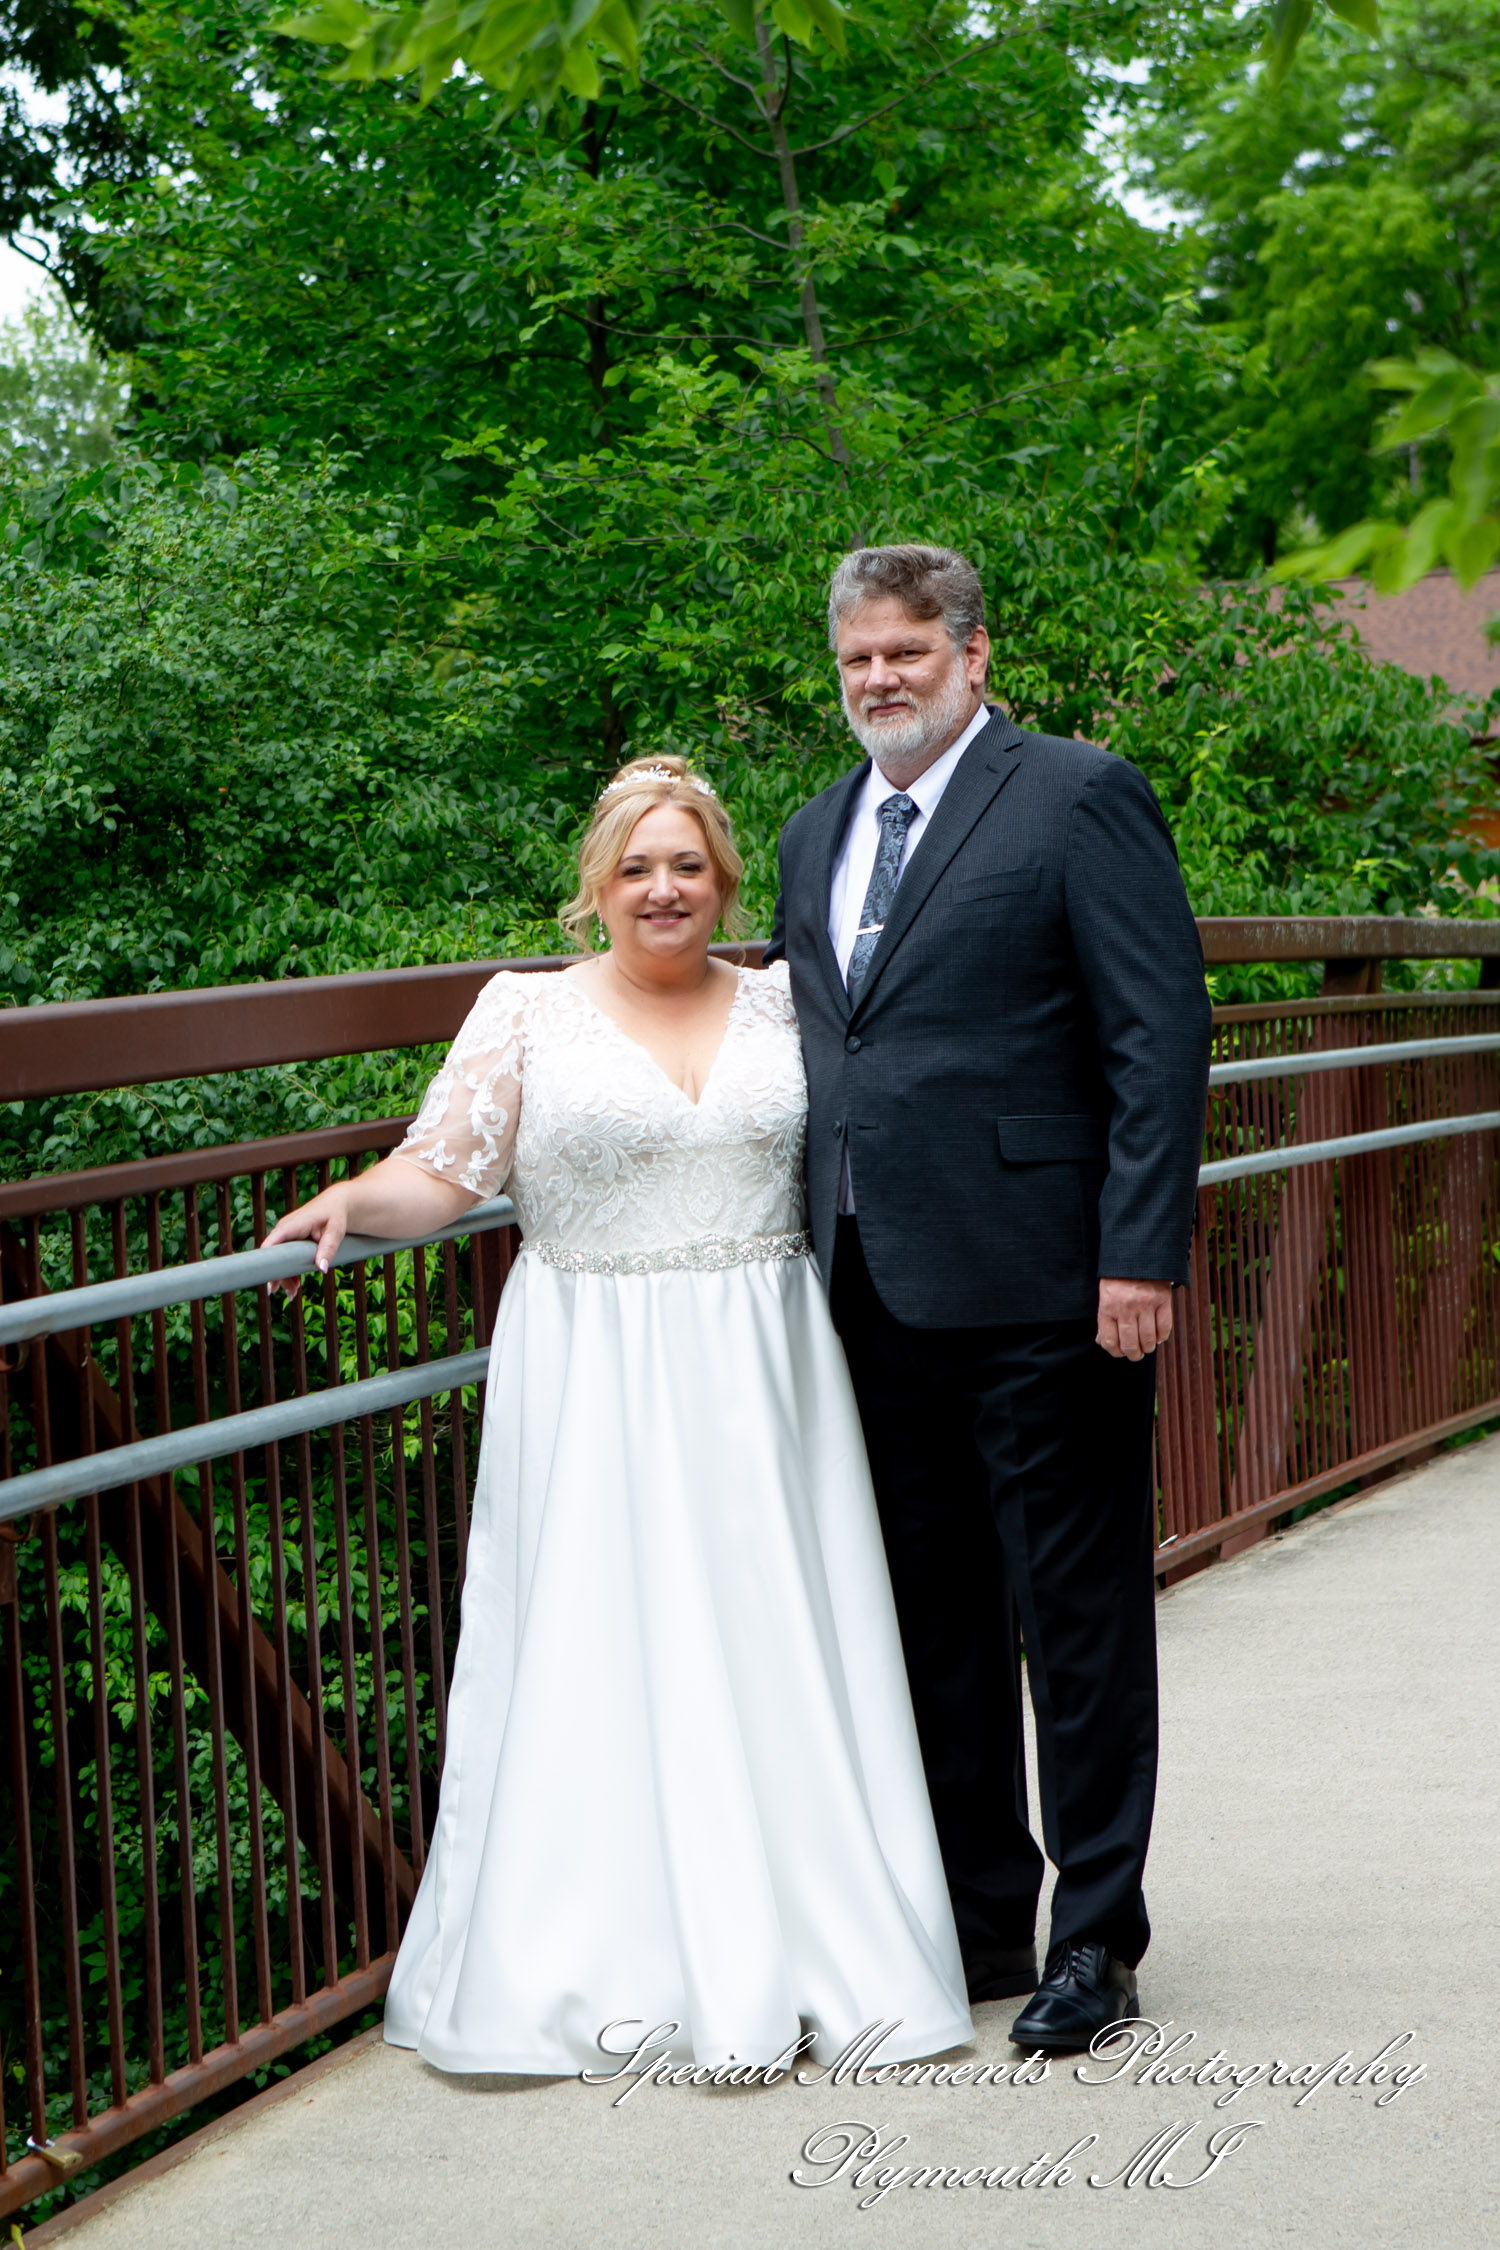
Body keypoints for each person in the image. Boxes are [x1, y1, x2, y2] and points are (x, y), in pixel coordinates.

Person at [263, 755, 971, 2075]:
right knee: (600, 1639)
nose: (664, 887)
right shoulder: (525, 1012)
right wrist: (358, 1198)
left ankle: (806, 1943)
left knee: (776, 1640)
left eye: (688, 865)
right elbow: (445, 1169)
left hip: (766, 1365)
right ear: (594, 886)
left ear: (725, 883)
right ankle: (608, 1960)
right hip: (592, 1368)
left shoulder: (783, 1003)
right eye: (637, 865)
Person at [764, 543, 1213, 2053]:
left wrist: (1139, 1253)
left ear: (971, 651)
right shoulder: (813, 828)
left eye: (905, 651)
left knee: (1075, 1619)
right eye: (856, 660)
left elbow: (1158, 1034)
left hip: (1047, 1285)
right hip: (872, 1286)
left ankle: (1095, 1937)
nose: (879, 679)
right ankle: (974, 1920)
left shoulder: (1078, 794)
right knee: (931, 1626)